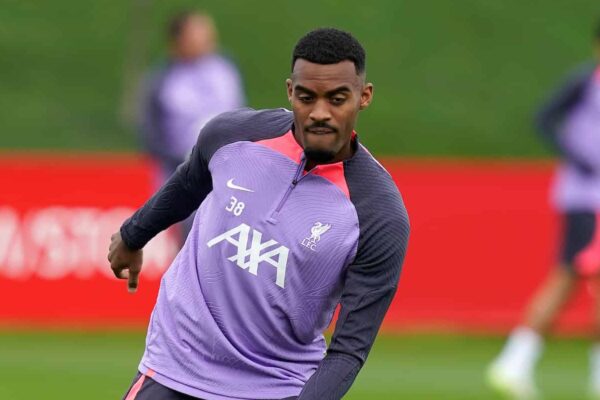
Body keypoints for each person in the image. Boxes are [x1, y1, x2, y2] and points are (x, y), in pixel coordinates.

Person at [108, 28, 410, 400]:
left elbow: (349, 349)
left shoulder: (378, 214)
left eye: (337, 99)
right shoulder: (231, 136)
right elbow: (186, 185)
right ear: (289, 92)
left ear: (363, 97)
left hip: (273, 386)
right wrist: (132, 235)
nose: (319, 113)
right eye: (306, 97)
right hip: (174, 368)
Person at [487, 20, 600, 400]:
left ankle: (516, 361)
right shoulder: (586, 82)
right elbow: (544, 119)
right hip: (587, 198)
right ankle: (514, 361)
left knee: (572, 279)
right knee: (570, 276)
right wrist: (579, 157)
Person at [139, 10, 245, 243]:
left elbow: (242, 116)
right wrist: (189, 162)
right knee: (193, 246)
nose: (209, 36)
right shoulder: (161, 81)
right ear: (179, 40)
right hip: (184, 179)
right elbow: (151, 136)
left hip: (228, 176)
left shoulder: (225, 70)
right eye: (198, 31)